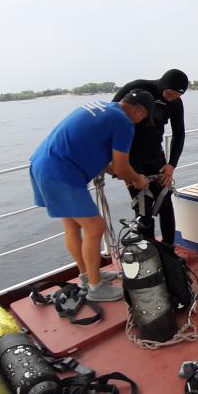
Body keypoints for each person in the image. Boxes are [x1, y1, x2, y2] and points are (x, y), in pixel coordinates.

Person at [29, 90, 151, 301]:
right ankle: (96, 288)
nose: (141, 122)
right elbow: (122, 167)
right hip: (61, 174)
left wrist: (118, 173)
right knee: (95, 227)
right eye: (144, 117)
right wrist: (138, 179)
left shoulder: (102, 107)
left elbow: (100, 156)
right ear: (140, 111)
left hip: (43, 164)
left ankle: (88, 276)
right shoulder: (124, 122)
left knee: (72, 226)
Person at [112, 69, 189, 244]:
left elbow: (179, 134)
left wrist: (171, 165)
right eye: (170, 94)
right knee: (143, 208)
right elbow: (110, 119)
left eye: (177, 96)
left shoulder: (175, 103)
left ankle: (169, 251)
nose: (172, 98)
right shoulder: (136, 88)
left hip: (156, 158)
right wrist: (119, 168)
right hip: (132, 160)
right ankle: (151, 255)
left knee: (166, 205)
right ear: (163, 85)